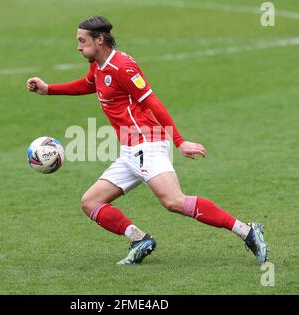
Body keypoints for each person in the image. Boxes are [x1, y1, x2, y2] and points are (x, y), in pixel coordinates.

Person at [26, 16, 268, 265]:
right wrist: (49, 89)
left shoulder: (123, 67)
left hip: (147, 142)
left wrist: (180, 141)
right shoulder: (98, 65)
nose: (78, 47)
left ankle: (248, 231)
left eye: (82, 41)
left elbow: (152, 102)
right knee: (90, 202)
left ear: (99, 40)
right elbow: (90, 84)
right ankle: (139, 240)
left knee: (173, 201)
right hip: (130, 149)